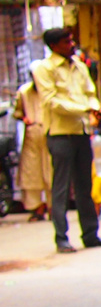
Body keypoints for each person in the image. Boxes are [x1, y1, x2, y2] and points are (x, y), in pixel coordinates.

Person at [31, 27, 101, 253]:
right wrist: (85, 109)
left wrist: (96, 109)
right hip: (59, 133)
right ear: (54, 45)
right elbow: (51, 102)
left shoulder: (78, 65)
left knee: (84, 186)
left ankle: (90, 234)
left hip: (81, 131)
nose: (71, 44)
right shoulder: (44, 68)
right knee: (60, 187)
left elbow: (90, 93)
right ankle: (61, 237)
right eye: (66, 41)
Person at [14, 64, 50, 219]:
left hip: (49, 130)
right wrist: (24, 118)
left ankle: (54, 206)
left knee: (51, 170)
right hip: (32, 132)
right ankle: (36, 207)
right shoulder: (23, 91)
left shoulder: (50, 90)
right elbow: (17, 112)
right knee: (31, 171)